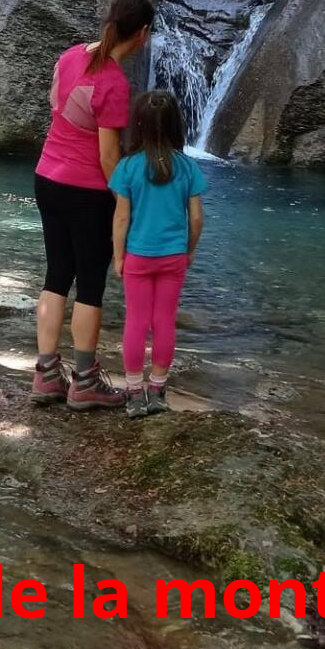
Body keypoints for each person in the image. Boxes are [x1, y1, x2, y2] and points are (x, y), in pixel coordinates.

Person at [31, 0, 155, 411]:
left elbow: (56, 106)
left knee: (56, 273)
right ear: (141, 34)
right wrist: (125, 199)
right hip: (86, 192)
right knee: (91, 283)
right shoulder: (114, 84)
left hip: (47, 176)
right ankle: (84, 381)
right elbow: (107, 156)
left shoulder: (70, 57)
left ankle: (46, 374)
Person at [107, 89, 205, 418]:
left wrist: (118, 256)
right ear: (177, 125)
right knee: (164, 321)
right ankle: (158, 390)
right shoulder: (188, 168)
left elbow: (121, 218)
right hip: (173, 256)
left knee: (136, 321)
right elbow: (196, 217)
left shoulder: (128, 167)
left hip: (138, 255)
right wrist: (189, 251)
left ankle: (134, 393)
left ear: (138, 125)